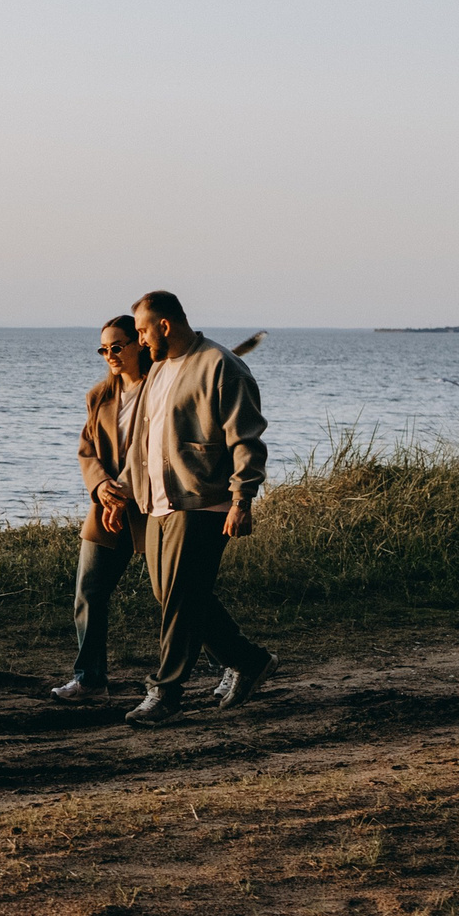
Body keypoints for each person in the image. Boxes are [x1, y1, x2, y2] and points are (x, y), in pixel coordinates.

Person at [122, 290, 276, 725]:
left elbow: (246, 439)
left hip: (204, 503)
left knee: (181, 599)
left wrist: (242, 499)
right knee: (170, 595)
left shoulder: (220, 366)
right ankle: (249, 660)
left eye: (141, 331)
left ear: (164, 325)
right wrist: (126, 487)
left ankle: (165, 693)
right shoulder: (158, 369)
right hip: (157, 502)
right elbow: (146, 437)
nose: (139, 340)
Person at [54, 314, 150, 702]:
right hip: (107, 506)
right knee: (89, 590)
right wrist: (101, 487)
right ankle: (91, 680)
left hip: (153, 507)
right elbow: (87, 450)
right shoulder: (99, 396)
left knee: (178, 593)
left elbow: (151, 451)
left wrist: (123, 490)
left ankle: (234, 661)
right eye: (103, 349)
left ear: (139, 343)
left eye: (117, 346)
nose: (109, 354)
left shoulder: (159, 388)